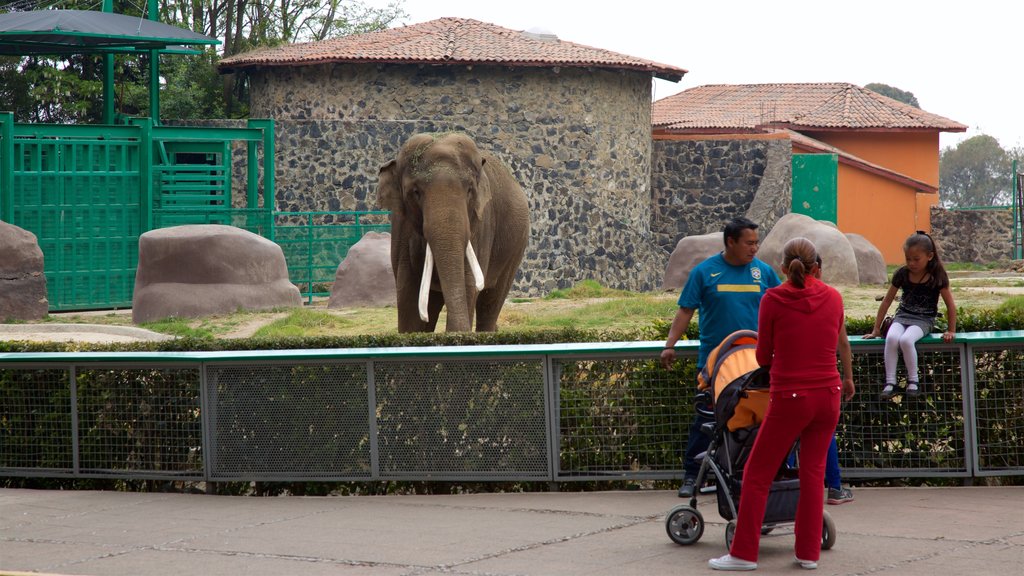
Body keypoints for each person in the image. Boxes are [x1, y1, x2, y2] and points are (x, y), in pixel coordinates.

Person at [709, 237, 855, 572]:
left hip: (791, 397)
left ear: (782, 268)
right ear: (817, 266)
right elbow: (839, 341)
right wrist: (847, 378)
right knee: (813, 474)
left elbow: (762, 356)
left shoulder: (773, 299)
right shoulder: (833, 297)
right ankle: (807, 554)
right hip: (828, 396)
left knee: (758, 473)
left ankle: (744, 554)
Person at [661, 217, 781, 499]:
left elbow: (783, 308)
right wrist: (669, 345)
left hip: (756, 367)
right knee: (705, 423)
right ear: (731, 242)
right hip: (714, 366)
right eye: (749, 243)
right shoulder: (704, 273)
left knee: (756, 424)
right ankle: (693, 477)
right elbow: (685, 311)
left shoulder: (763, 273)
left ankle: (749, 478)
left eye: (756, 242)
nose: (755, 248)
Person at [865, 231, 956, 400]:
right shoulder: (902, 274)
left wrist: (951, 330)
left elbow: (950, 305)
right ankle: (890, 382)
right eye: (908, 259)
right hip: (902, 316)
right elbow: (886, 301)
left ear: (929, 256)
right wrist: (876, 329)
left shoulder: (937, 276)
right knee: (892, 338)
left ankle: (913, 381)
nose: (911, 263)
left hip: (924, 320)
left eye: (916, 259)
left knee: (906, 340)